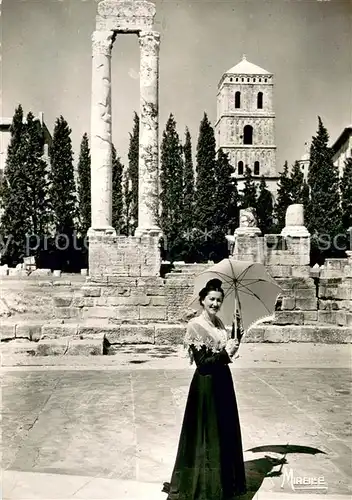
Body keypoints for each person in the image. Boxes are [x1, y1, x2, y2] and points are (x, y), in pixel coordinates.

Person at [162, 278, 247, 499]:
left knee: (223, 430)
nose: (215, 304)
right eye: (211, 299)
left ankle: (223, 483)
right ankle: (205, 486)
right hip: (206, 386)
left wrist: (236, 340)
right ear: (202, 300)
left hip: (223, 383)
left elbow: (223, 356)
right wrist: (225, 354)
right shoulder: (195, 326)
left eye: (219, 300)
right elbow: (203, 364)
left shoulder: (219, 324)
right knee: (206, 434)